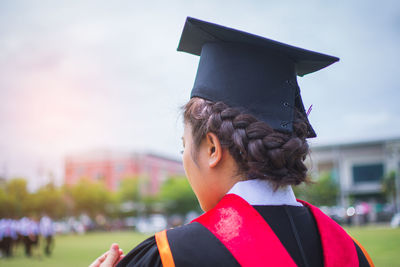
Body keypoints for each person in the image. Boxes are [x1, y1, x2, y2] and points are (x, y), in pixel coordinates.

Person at [90, 17, 374, 267]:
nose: (184, 159)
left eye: (184, 146)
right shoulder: (351, 252)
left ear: (212, 149)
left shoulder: (173, 256)